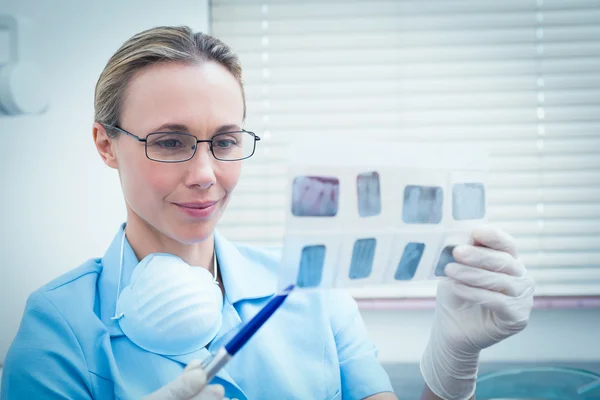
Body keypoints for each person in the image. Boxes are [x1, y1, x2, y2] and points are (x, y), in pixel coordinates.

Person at [0, 26, 535, 400]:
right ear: (106, 145)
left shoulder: (311, 290)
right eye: (169, 142)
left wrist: (453, 362)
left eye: (226, 141)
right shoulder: (60, 326)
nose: (206, 173)